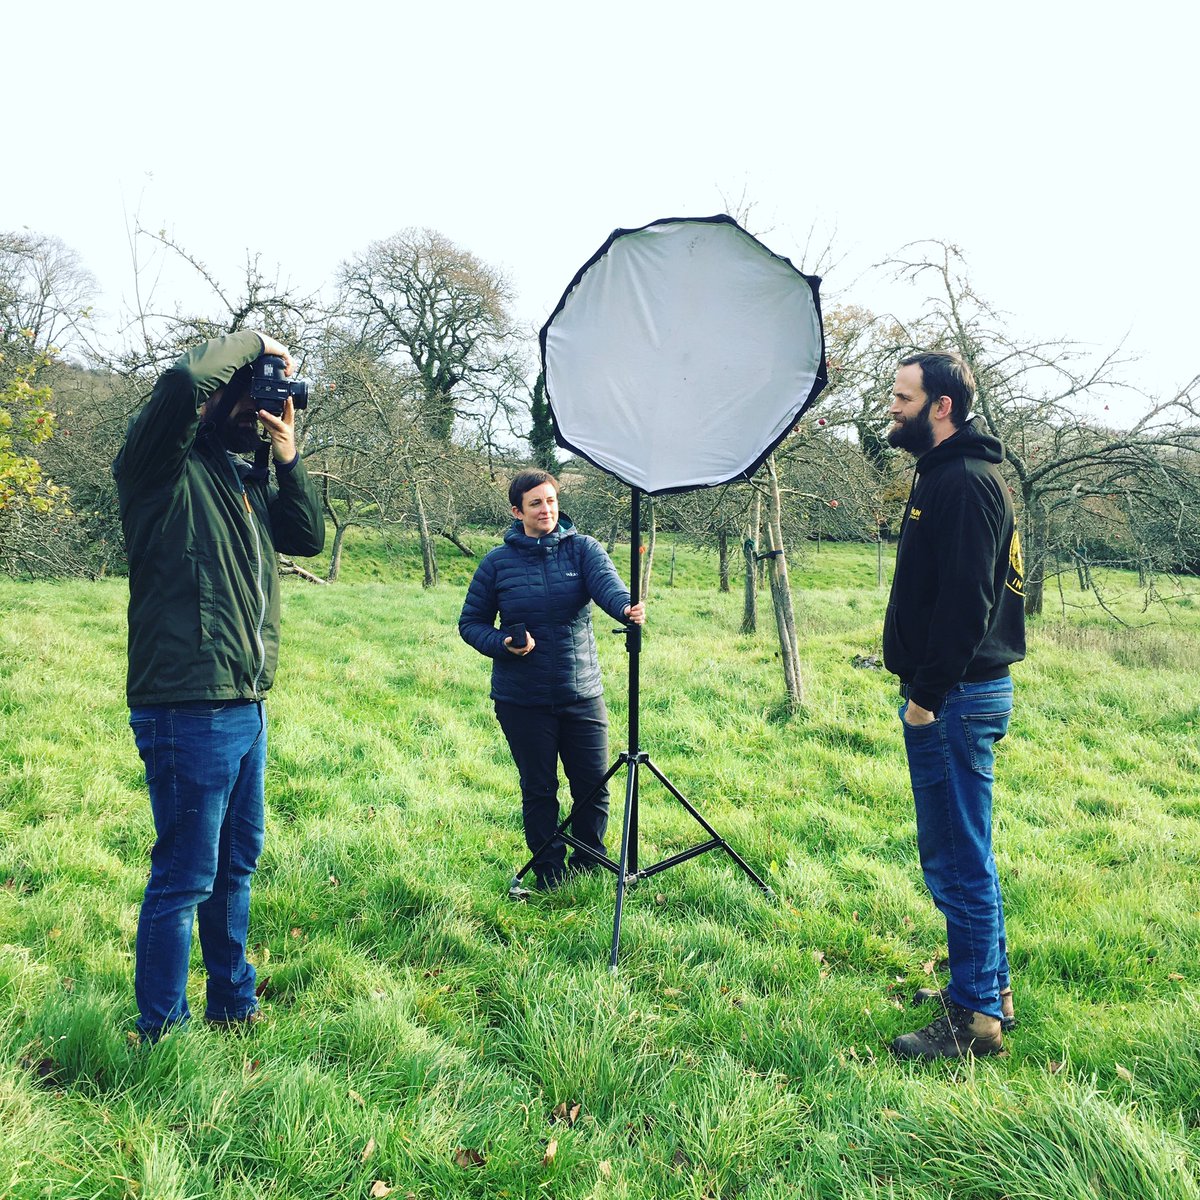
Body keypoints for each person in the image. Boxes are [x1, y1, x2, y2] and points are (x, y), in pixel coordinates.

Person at [113, 331, 325, 1041]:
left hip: (245, 704)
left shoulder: (242, 480)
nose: (257, 412)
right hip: (186, 708)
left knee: (236, 865)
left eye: (270, 400)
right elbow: (179, 387)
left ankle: (232, 1002)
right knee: (185, 877)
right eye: (246, 397)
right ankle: (162, 1034)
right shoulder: (157, 470)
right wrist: (259, 341)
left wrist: (285, 452)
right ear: (217, 394)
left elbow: (305, 538)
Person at [882, 351, 1025, 1060]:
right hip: (955, 695)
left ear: (941, 406)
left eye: (903, 398)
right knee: (964, 851)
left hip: (955, 699)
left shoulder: (965, 484)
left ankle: (973, 1021)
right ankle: (987, 993)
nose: (891, 407)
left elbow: (969, 604)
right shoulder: (942, 475)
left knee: (958, 858)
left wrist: (925, 700)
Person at [459, 470, 645, 890]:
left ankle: (588, 864)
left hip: (581, 692)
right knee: (540, 790)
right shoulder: (496, 564)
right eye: (536, 503)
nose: (546, 509)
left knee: (593, 787)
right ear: (517, 511)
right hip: (522, 699)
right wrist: (503, 642)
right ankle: (548, 873)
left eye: (551, 500)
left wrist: (626, 609)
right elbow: (470, 623)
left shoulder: (583, 550)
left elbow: (608, 589)